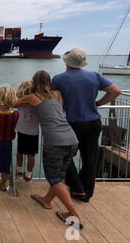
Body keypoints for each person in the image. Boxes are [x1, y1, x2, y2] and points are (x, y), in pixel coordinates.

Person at [14, 70, 83, 229]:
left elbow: (13, 103)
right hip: (71, 139)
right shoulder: (58, 94)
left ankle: (74, 214)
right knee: (60, 175)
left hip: (55, 142)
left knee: (54, 178)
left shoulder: (33, 97)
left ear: (34, 83)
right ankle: (46, 201)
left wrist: (25, 96)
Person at [52, 49, 121, 202]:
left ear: (66, 62)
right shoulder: (94, 76)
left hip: (71, 124)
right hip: (93, 123)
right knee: (90, 159)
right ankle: (86, 193)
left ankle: (77, 188)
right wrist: (98, 104)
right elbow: (116, 91)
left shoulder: (58, 79)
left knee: (62, 158)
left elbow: (52, 100)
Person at [15, 80, 39, 182]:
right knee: (31, 155)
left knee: (20, 152)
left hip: (21, 131)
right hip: (33, 133)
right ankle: (28, 175)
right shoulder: (37, 103)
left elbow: (12, 104)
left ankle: (19, 171)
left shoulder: (19, 103)